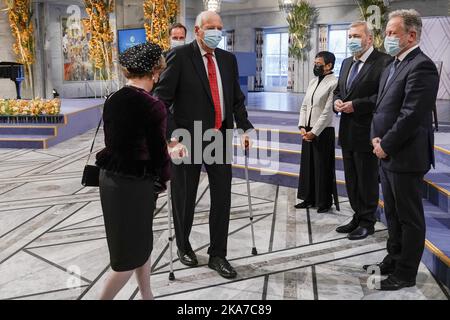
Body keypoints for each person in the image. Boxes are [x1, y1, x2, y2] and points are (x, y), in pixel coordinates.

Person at [153, 11, 253, 279]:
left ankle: (218, 254)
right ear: (197, 30)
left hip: (219, 136)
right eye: (211, 27)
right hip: (187, 138)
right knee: (185, 196)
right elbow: (160, 101)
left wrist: (245, 126)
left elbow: (236, 99)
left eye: (220, 28)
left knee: (222, 197)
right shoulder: (180, 56)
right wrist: (171, 138)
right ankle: (183, 246)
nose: (216, 32)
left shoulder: (227, 59)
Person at [367, 9, 439, 291]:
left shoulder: (422, 66)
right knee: (393, 214)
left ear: (411, 35)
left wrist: (385, 144)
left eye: (392, 33)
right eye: (386, 33)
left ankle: (406, 273)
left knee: (409, 217)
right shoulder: (393, 65)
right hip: (386, 151)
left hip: (406, 155)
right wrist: (376, 138)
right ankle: (394, 257)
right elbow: (381, 108)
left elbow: (410, 114)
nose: (387, 38)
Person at [95, 42, 170, 299]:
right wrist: (164, 180)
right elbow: (159, 154)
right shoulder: (153, 106)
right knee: (126, 259)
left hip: (111, 180)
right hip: (134, 185)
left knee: (140, 245)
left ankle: (147, 295)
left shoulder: (113, 98)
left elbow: (118, 141)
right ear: (154, 73)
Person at [333, 21, 392, 240]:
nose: (351, 40)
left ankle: (368, 221)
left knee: (366, 179)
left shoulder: (384, 62)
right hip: (347, 130)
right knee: (351, 178)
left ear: (370, 39)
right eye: (349, 36)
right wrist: (337, 102)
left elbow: (384, 97)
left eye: (356, 36)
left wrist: (357, 105)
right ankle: (357, 215)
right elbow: (339, 90)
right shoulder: (347, 62)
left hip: (368, 131)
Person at [295, 51, 338, 213]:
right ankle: (308, 198)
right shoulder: (313, 82)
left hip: (323, 131)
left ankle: (324, 201)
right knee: (307, 166)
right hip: (307, 129)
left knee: (322, 167)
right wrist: (302, 127)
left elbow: (327, 112)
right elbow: (305, 105)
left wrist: (314, 132)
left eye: (319, 64)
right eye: (315, 63)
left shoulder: (334, 83)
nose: (316, 66)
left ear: (329, 65)